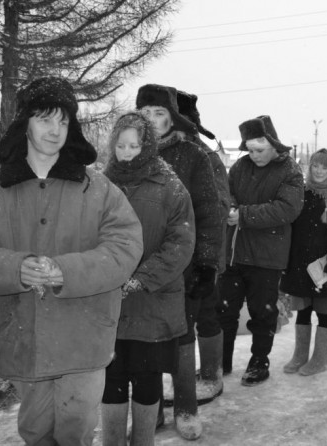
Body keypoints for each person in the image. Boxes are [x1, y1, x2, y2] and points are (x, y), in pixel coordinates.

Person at [0, 77, 143, 446]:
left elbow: (126, 246)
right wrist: (15, 268)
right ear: (25, 123)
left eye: (63, 121)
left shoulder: (99, 189)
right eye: (45, 119)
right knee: (36, 430)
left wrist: (68, 271)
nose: (55, 130)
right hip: (24, 335)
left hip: (85, 334)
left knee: (76, 429)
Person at [101, 112, 196, 445]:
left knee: (146, 378)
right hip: (108, 305)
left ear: (147, 146)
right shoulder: (100, 183)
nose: (127, 152)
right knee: (110, 380)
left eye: (134, 145)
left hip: (152, 303)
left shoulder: (169, 185)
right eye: (122, 145)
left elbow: (181, 242)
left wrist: (142, 278)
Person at [136, 84, 221, 438]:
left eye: (159, 114)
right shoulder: (127, 151)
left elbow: (209, 212)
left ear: (172, 118)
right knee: (143, 340)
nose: (152, 121)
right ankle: (149, 411)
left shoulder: (192, 155)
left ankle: (185, 408)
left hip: (182, 264)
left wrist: (205, 263)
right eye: (145, 114)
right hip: (138, 264)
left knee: (181, 336)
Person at [219, 115, 304, 385]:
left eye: (260, 150)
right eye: (251, 150)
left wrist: (243, 215)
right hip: (234, 252)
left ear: (273, 145)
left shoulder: (289, 171)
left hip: (267, 256)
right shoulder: (240, 167)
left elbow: (288, 208)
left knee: (262, 312)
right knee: (225, 311)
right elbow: (226, 194)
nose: (254, 156)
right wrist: (230, 207)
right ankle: (221, 361)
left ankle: (259, 362)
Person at [176, 91, 230, 405]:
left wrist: (191, 230)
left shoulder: (205, 157)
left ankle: (211, 374)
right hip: (174, 257)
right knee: (179, 321)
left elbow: (219, 205)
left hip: (204, 254)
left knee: (207, 314)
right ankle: (182, 378)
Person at [280, 148, 327, 375]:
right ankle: (300, 356)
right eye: (316, 166)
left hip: (323, 263)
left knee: (323, 311)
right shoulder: (301, 191)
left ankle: (320, 360)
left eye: (325, 167)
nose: (319, 171)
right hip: (299, 261)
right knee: (302, 310)